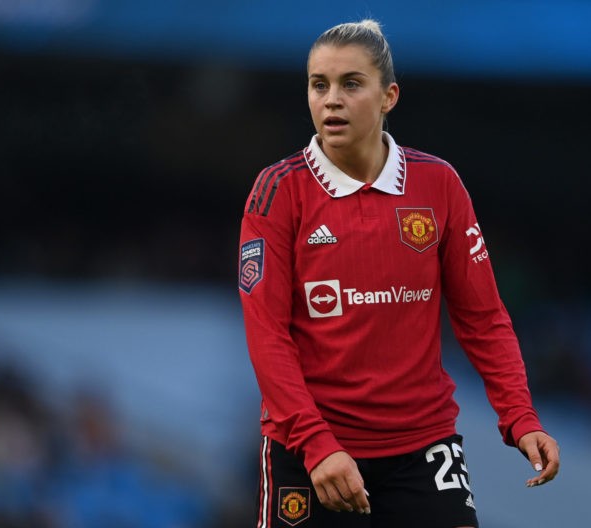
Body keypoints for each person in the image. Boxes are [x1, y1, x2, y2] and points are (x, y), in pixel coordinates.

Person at [238, 19, 560, 528]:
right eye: (318, 84)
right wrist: (318, 445)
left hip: (422, 447)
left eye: (351, 83)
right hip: (313, 450)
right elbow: (267, 335)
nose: (331, 99)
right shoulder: (278, 191)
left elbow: (483, 318)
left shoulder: (439, 184)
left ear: (389, 96)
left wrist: (519, 416)